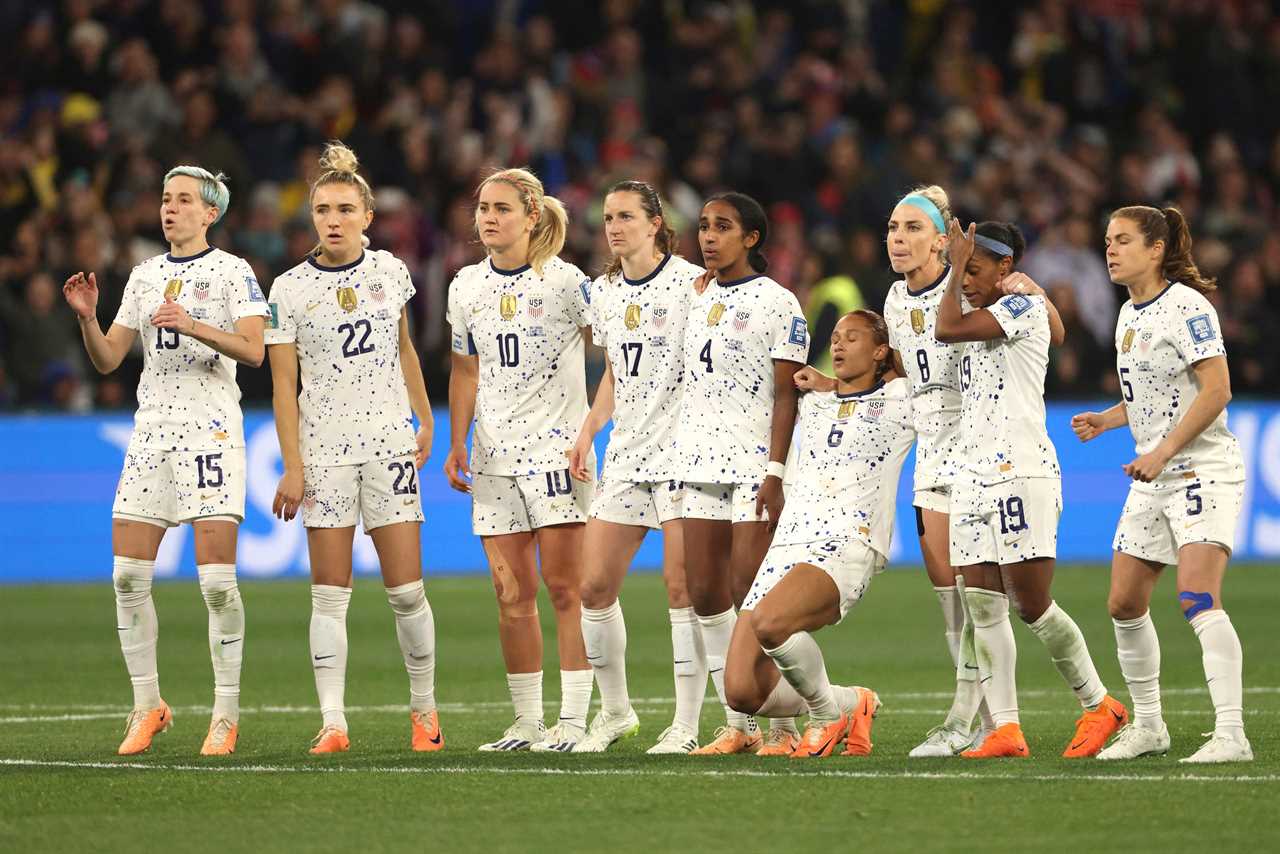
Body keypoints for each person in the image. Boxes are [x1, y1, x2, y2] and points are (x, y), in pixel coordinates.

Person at [62, 165, 268, 756]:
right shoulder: (145, 275)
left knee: (217, 584)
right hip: (151, 432)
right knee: (127, 576)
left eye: (183, 200)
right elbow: (108, 360)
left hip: (211, 431)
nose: (169, 209)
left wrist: (195, 325)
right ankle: (147, 705)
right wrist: (87, 318)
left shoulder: (232, 272)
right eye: (164, 198)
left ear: (210, 213)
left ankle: (225, 715)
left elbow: (254, 350)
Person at [265, 142, 441, 755]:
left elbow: (405, 349)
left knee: (406, 590)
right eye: (322, 209)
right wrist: (292, 464)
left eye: (344, 208)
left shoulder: (392, 272)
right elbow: (282, 384)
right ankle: (333, 723)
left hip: (389, 444)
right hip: (324, 452)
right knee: (328, 592)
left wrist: (423, 415)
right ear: (311, 216)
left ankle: (425, 713)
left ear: (368, 216)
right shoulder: (287, 289)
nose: (332, 219)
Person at [936, 218, 1128, 759]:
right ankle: (1007, 729)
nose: (966, 279)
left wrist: (956, 272)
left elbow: (946, 329)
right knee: (981, 602)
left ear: (1005, 267)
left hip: (1020, 470)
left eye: (975, 269)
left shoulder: (1015, 308)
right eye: (963, 269)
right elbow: (1058, 331)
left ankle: (1099, 704)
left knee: (1032, 603)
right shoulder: (1003, 306)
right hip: (971, 475)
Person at [1073, 206, 1250, 763]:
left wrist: (1163, 450)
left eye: (1123, 240)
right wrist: (1107, 419)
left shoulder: (1188, 308)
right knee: (1124, 603)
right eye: (1107, 240)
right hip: (1153, 474)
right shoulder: (1129, 314)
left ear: (1156, 249)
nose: (1110, 249)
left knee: (1197, 596)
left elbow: (1216, 389)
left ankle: (1231, 734)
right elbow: (1150, 392)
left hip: (1201, 468)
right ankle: (1150, 726)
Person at [444, 167, 594, 752]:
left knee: (565, 590)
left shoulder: (568, 284)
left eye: (502, 209)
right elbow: (465, 369)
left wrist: (593, 428)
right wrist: (459, 441)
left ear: (532, 217)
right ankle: (527, 722)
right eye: (482, 207)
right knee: (511, 595)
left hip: (557, 453)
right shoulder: (464, 286)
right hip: (492, 455)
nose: (488, 217)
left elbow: (615, 352)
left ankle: (576, 720)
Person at [724, 310, 912, 758]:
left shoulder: (902, 401)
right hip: (789, 540)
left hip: (847, 542)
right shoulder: (816, 400)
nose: (840, 345)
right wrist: (828, 384)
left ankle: (826, 718)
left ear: (881, 351)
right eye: (835, 338)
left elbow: (927, 375)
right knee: (741, 691)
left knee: (771, 622)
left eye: (853, 338)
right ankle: (851, 703)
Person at [567, 180, 710, 754]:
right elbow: (614, 373)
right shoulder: (603, 291)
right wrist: (588, 428)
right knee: (594, 585)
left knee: (682, 588)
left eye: (627, 216)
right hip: (627, 454)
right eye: (608, 217)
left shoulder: (692, 285)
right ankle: (617, 712)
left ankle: (686, 724)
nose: (615, 226)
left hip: (684, 451)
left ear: (656, 223)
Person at [676, 192, 809, 755]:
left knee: (753, 596)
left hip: (756, 466)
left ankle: (788, 726)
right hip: (696, 459)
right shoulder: (694, 296)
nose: (708, 236)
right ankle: (741, 726)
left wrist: (777, 470)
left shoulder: (780, 304)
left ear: (751, 239)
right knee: (705, 595)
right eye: (704, 226)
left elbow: (787, 395)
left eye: (722, 227)